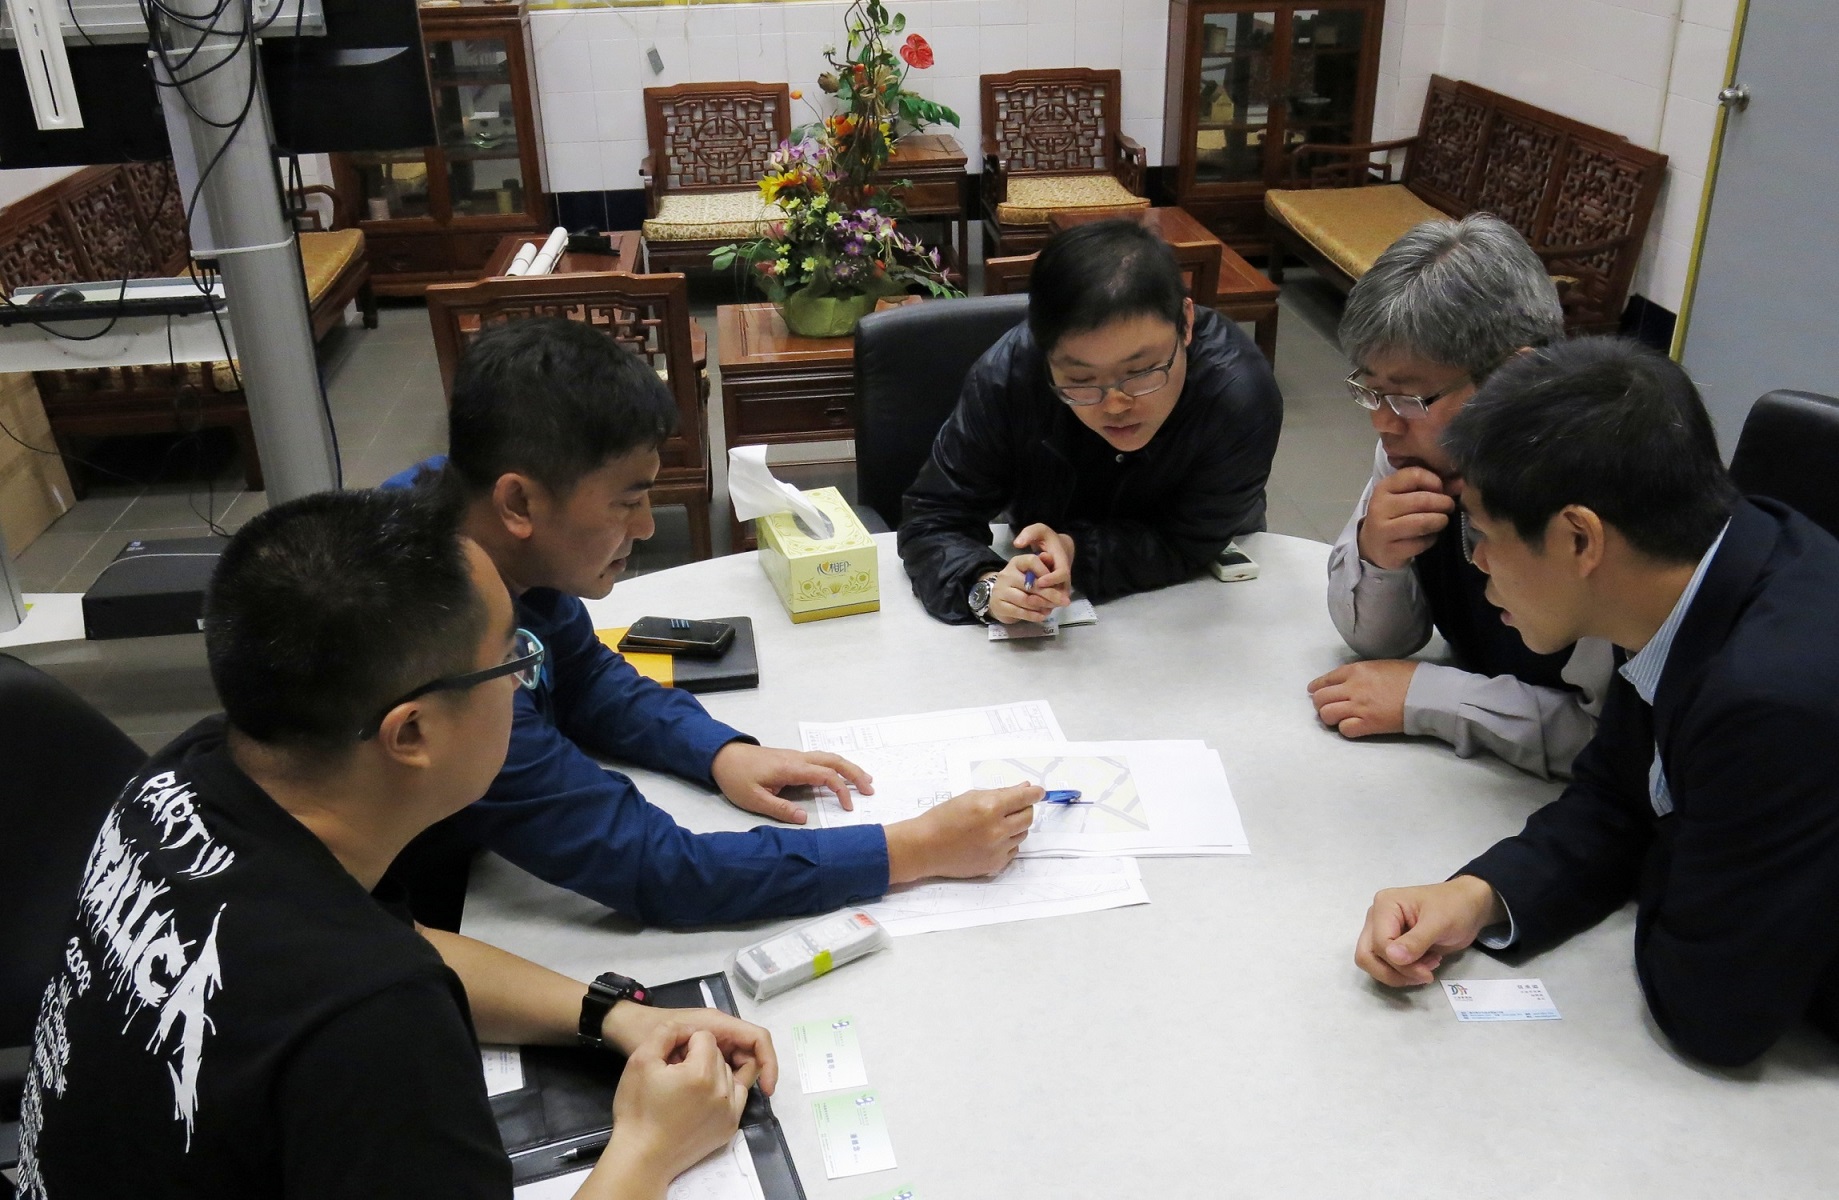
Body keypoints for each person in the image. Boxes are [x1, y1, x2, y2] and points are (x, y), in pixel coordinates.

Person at [18, 489, 778, 1199]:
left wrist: (613, 1013)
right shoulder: (375, 1028)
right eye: (513, 660)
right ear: (411, 732)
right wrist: (650, 1145)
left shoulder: (190, 775)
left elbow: (394, 941)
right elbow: (368, 982)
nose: (522, 685)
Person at [384, 317, 1041, 929]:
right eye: (626, 502)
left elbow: (582, 675)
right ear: (518, 501)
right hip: (418, 909)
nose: (646, 529)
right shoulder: (436, 646)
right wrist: (911, 848)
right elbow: (653, 868)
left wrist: (717, 751)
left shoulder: (473, 512)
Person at [1354, 338, 1839, 1067]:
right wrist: (1482, 895)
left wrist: (1666, 837)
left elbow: (1710, 1012)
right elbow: (1618, 797)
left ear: (1579, 538)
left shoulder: (1768, 703)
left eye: (1484, 534)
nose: (1475, 561)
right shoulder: (1690, 569)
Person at [1309, 214, 1614, 779]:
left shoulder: (1593, 506)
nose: (1383, 423)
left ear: (1515, 377)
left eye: (1408, 398)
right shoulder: (1421, 451)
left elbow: (1617, 741)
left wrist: (1435, 698)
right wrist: (1378, 559)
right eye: (1370, 391)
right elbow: (1379, 644)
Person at [898, 218, 1283, 625]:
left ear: (1185, 323)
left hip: (1200, 593)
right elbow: (933, 517)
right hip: (1054, 599)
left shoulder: (1238, 397)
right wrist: (987, 585)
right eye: (1081, 381)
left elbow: (1187, 541)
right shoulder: (1008, 376)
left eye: (1142, 372)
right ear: (1044, 351)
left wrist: (1075, 549)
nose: (1115, 405)